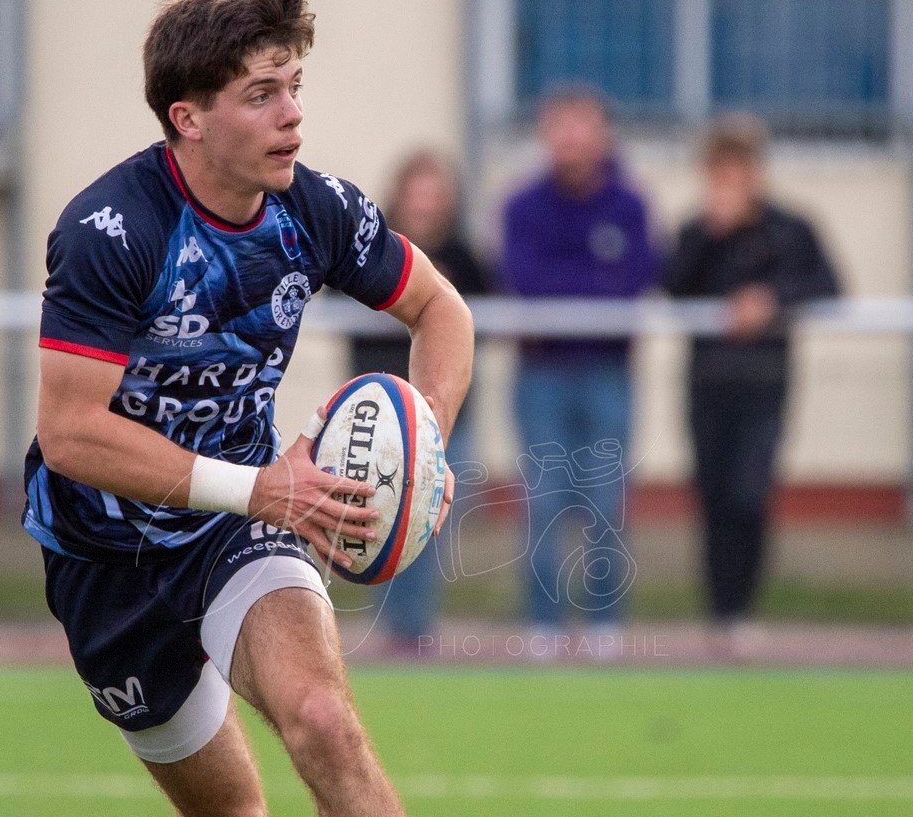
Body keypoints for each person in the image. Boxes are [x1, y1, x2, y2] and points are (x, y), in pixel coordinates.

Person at [23, 0, 475, 817]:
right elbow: (71, 434)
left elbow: (445, 316)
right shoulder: (111, 230)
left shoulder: (313, 209)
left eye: (295, 87)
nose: (291, 115)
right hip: (106, 561)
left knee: (322, 715)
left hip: (240, 533)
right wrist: (261, 483)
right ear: (189, 116)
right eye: (262, 93)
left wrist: (425, 448)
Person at [664, 116, 840, 649]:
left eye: (739, 168)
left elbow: (827, 283)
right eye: (719, 169)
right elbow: (671, 287)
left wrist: (770, 300)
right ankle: (720, 612)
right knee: (713, 495)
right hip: (708, 380)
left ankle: (743, 608)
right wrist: (712, 239)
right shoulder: (697, 231)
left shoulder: (790, 229)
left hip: (764, 381)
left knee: (749, 492)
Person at [499, 88, 658, 648]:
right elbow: (525, 280)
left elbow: (634, 281)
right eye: (559, 127)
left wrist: (577, 297)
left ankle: (605, 626)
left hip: (609, 374)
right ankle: (543, 626)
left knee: (607, 503)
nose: (570, 140)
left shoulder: (630, 206)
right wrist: (589, 288)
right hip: (540, 376)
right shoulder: (522, 206)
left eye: (581, 127)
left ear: (602, 134)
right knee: (542, 503)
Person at [346, 151, 490, 654]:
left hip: (440, 419)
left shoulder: (465, 257)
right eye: (417, 189)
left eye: (435, 190)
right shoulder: (370, 250)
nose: (426, 202)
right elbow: (331, 297)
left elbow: (478, 316)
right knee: (373, 520)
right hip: (374, 422)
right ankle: (388, 631)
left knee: (425, 521)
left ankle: (415, 629)